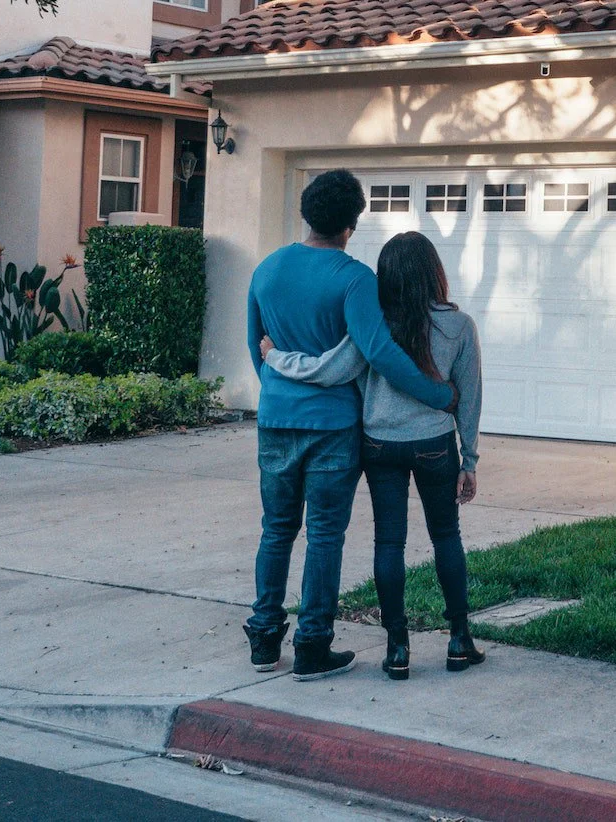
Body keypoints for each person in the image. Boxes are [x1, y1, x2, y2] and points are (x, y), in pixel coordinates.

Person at [245, 171, 456, 682]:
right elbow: (380, 352)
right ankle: (313, 645)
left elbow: (258, 349)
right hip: (334, 427)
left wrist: (281, 394)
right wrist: (438, 395)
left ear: (306, 214)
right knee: (323, 535)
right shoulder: (355, 279)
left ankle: (264, 640)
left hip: (276, 420)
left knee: (276, 531)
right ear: (351, 224)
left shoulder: (266, 270)